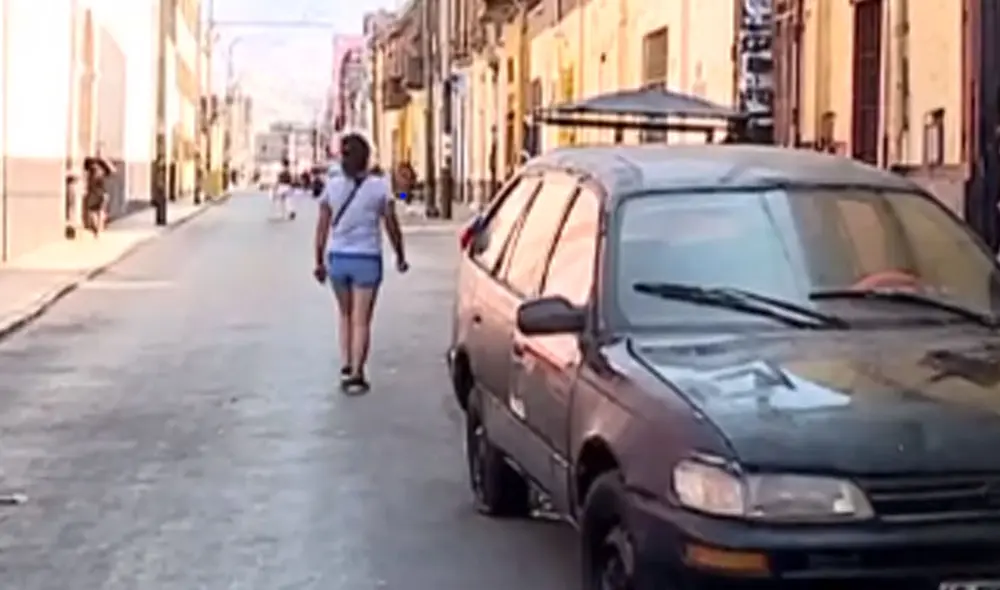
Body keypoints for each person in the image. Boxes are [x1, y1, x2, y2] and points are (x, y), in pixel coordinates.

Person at [313, 133, 408, 393]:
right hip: (367, 259)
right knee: (362, 320)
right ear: (367, 158)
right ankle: (357, 372)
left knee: (345, 314)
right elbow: (391, 224)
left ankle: (345, 363)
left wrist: (318, 261)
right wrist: (400, 255)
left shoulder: (332, 186)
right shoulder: (380, 187)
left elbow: (322, 228)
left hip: (338, 259)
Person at [83, 156, 114, 237]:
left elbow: (90, 184)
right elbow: (112, 171)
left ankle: (97, 228)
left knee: (93, 211)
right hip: (103, 193)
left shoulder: (92, 172)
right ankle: (99, 228)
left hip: (95, 194)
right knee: (100, 211)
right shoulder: (101, 171)